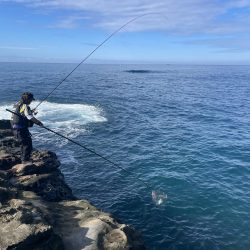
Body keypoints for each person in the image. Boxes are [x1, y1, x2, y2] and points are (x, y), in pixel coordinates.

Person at [11, 92, 43, 163]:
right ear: (27, 99)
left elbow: (20, 114)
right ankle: (25, 160)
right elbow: (29, 116)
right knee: (27, 144)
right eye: (31, 100)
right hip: (21, 128)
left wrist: (30, 111)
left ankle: (23, 159)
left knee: (23, 144)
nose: (31, 101)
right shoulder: (25, 106)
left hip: (15, 128)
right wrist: (38, 122)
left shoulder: (18, 104)